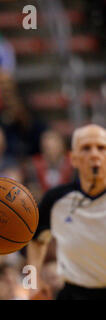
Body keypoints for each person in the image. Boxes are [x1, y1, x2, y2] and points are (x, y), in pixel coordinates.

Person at [27, 124, 106, 300]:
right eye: (86, 148)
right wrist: (30, 284)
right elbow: (35, 242)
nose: (94, 154)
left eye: (101, 148)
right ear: (73, 158)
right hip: (73, 292)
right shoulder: (55, 200)